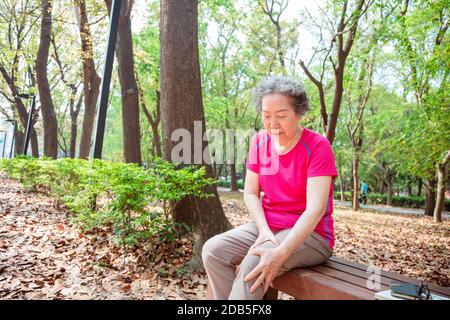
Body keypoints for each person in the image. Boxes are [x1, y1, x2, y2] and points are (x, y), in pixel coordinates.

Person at [202, 76, 338, 300]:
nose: (273, 123)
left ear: (299, 112)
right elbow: (250, 193)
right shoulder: (259, 141)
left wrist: (279, 254)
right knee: (213, 251)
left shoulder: (317, 146)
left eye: (281, 115)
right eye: (266, 116)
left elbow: (315, 211)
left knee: (254, 263)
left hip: (312, 234)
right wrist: (264, 230)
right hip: (269, 226)